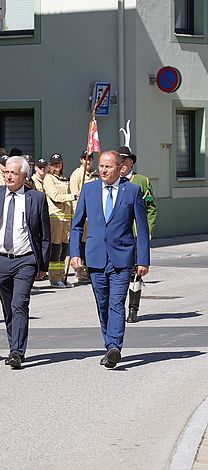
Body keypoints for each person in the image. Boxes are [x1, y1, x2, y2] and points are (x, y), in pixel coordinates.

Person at [70, 150, 150, 369]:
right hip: (95, 257)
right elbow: (77, 225)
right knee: (102, 304)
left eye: (108, 167)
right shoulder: (89, 190)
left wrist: (143, 259)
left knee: (116, 303)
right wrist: (75, 253)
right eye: (101, 166)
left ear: (119, 168)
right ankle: (109, 346)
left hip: (122, 258)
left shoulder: (132, 191)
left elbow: (142, 230)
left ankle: (114, 346)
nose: (104, 170)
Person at [0, 156, 50, 368]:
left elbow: (44, 235)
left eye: (14, 173)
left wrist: (43, 266)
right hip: (0, 260)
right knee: (8, 307)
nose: (8, 176)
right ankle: (12, 345)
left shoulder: (36, 198)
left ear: (24, 176)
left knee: (19, 304)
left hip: (25, 259)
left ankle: (17, 351)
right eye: (6, 172)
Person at [118, 145, 157, 323]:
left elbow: (150, 208)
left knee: (136, 272)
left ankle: (133, 309)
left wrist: (147, 231)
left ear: (131, 162)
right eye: (119, 160)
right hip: (118, 236)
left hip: (136, 234)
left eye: (125, 160)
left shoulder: (141, 181)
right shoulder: (112, 181)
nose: (122, 164)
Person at [43, 153, 76, 288]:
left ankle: (62, 276)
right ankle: (54, 278)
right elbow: (55, 196)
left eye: (59, 163)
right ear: (50, 165)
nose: (58, 165)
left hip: (67, 217)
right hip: (55, 217)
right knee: (55, 248)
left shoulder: (64, 179)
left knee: (64, 249)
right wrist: (72, 196)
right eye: (55, 163)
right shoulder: (49, 179)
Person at [69, 150, 98, 284]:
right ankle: (80, 271)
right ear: (81, 160)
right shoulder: (77, 174)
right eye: (85, 158)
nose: (88, 161)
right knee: (80, 243)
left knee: (89, 243)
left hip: (94, 214)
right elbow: (75, 193)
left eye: (91, 158)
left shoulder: (95, 174)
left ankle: (90, 270)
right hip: (82, 213)